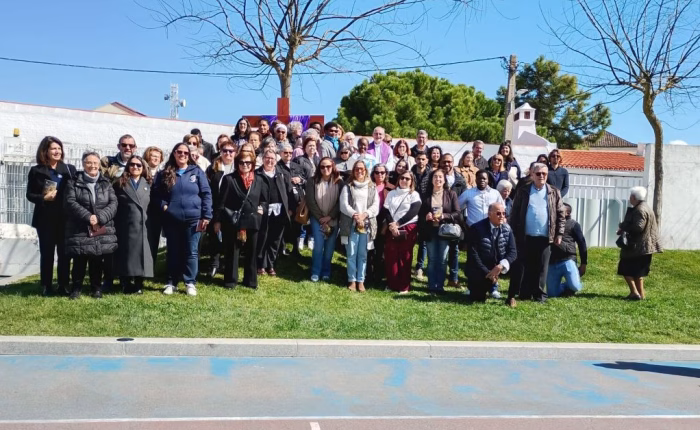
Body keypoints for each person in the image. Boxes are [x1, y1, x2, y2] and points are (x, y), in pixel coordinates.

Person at [154, 143, 212, 296]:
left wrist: (206, 215)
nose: (182, 155)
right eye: (179, 152)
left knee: (191, 251)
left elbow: (206, 194)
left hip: (194, 219)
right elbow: (156, 194)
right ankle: (171, 282)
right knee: (173, 251)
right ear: (174, 153)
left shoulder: (197, 172)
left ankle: (190, 282)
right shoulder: (164, 173)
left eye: (186, 153)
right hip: (172, 219)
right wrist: (164, 206)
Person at [507, 163, 566, 307]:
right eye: (538, 173)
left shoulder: (554, 192)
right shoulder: (523, 191)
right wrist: (512, 233)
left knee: (542, 267)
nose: (541, 176)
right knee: (526, 265)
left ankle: (539, 294)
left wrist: (559, 234)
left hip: (546, 237)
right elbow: (514, 213)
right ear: (532, 175)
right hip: (525, 235)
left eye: (544, 174)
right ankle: (525, 293)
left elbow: (561, 214)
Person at [26, 136, 77, 296]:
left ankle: (63, 285)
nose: (57, 151)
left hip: (65, 218)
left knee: (64, 254)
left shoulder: (69, 169)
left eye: (59, 148)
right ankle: (47, 285)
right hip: (45, 219)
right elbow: (29, 194)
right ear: (45, 151)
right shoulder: (36, 171)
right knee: (47, 253)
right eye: (53, 148)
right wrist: (43, 198)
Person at [64, 151, 118, 299]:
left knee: (97, 260)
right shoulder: (73, 182)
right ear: (83, 164)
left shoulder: (106, 183)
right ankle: (76, 289)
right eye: (89, 162)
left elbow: (113, 203)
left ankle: (96, 288)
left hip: (99, 226)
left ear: (99, 165)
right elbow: (70, 202)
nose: (92, 165)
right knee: (79, 260)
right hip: (80, 227)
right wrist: (88, 217)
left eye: (95, 163)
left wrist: (100, 218)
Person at [213, 151, 264, 289]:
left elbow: (264, 200)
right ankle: (230, 280)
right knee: (232, 251)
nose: (245, 165)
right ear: (237, 164)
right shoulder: (229, 179)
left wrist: (262, 208)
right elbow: (221, 202)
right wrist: (217, 220)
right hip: (233, 221)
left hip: (253, 220)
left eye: (248, 162)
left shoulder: (259, 180)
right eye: (241, 162)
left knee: (252, 252)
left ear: (252, 164)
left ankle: (250, 281)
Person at [114, 155, 154, 294]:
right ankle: (125, 282)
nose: (135, 167)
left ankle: (138, 283)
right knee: (126, 254)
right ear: (128, 166)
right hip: (126, 224)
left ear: (143, 168)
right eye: (132, 164)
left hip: (144, 225)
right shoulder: (119, 183)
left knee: (142, 254)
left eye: (138, 165)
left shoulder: (148, 184)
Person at [339, 160, 379, 292]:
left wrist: (364, 215)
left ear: (366, 170)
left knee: (363, 254)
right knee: (351, 253)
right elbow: (344, 205)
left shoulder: (372, 187)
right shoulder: (348, 186)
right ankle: (352, 279)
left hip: (366, 225)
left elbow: (375, 206)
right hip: (351, 224)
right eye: (357, 169)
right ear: (353, 171)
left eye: (362, 169)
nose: (359, 171)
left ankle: (361, 280)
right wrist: (356, 216)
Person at [419, 169, 461, 295]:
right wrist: (426, 217)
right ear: (431, 180)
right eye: (435, 177)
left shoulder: (451, 194)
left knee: (442, 259)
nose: (438, 179)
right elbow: (419, 214)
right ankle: (432, 285)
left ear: (444, 180)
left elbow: (457, 213)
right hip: (430, 231)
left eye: (440, 177)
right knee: (432, 259)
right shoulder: (425, 195)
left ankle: (440, 286)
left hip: (444, 231)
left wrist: (444, 216)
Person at [617, 186, 662, 300]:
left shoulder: (639, 210)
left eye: (630, 196)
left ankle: (634, 293)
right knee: (638, 273)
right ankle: (641, 295)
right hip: (645, 247)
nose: (629, 198)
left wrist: (624, 227)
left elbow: (638, 227)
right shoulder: (646, 207)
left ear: (633, 197)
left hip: (637, 247)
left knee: (625, 269)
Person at [466, 202, 517, 302]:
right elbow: (473, 255)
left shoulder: (507, 229)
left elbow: (513, 252)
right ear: (489, 214)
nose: (502, 216)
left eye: (504, 213)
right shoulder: (476, 229)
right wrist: (489, 273)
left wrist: (501, 266)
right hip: (482, 268)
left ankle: (511, 297)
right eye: (498, 213)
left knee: (518, 264)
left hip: (499, 266)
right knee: (477, 298)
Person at [256, 149, 294, 276]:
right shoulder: (257, 174)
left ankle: (270, 264)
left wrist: (290, 208)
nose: (270, 161)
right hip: (263, 212)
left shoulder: (282, 174)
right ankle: (261, 264)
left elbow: (289, 192)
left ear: (276, 160)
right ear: (263, 159)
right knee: (263, 238)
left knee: (275, 239)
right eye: (267, 158)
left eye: (272, 158)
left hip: (280, 211)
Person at [306, 157, 344, 282]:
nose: (325, 169)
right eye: (322, 166)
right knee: (318, 245)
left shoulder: (339, 182)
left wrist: (330, 216)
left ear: (333, 167)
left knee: (329, 247)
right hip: (317, 219)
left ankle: (326, 271)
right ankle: (315, 271)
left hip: (333, 219)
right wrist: (321, 218)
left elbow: (341, 201)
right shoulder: (312, 181)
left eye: (328, 166)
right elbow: (310, 201)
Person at [383, 172, 422, 293]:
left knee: (405, 257)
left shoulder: (414, 195)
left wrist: (398, 224)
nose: (404, 180)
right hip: (392, 228)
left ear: (411, 181)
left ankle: (404, 286)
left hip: (407, 228)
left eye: (407, 179)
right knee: (391, 256)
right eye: (402, 178)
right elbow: (386, 210)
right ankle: (392, 284)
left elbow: (414, 211)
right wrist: (392, 224)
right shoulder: (392, 193)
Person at [204, 140, 236, 277]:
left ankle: (225, 264)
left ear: (235, 153)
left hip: (232, 209)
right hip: (215, 207)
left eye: (231, 151)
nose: (228, 153)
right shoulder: (213, 168)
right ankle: (214, 264)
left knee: (230, 238)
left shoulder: (238, 168)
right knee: (214, 236)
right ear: (220, 152)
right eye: (225, 151)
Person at [436, 153, 467, 288]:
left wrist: (456, 213)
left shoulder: (460, 179)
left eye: (449, 162)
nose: (446, 164)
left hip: (455, 220)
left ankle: (453, 278)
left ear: (453, 163)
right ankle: (440, 279)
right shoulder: (436, 177)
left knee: (454, 251)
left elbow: (464, 199)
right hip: (439, 220)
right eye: (444, 161)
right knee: (441, 253)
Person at [547, 203, 588, 298]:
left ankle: (573, 284)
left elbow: (582, 243)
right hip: (552, 262)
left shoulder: (574, 224)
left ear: (568, 213)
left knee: (575, 286)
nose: (557, 211)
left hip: (568, 259)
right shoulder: (550, 224)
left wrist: (583, 263)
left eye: (561, 210)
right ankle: (565, 287)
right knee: (552, 294)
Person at [367, 163, 390, 284]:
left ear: (386, 174)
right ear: (373, 173)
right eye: (377, 172)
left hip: (384, 221)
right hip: (369, 219)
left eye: (382, 172)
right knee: (369, 248)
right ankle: (368, 273)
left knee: (381, 249)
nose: (379, 174)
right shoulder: (368, 186)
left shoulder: (391, 188)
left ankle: (379, 275)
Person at [410, 151, 431, 280]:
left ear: (427, 160)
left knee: (423, 241)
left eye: (423, 159)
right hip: (412, 209)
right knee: (410, 239)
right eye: (419, 159)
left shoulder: (431, 174)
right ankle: (407, 265)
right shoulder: (410, 173)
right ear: (415, 160)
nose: (421, 161)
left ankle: (419, 267)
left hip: (425, 210)